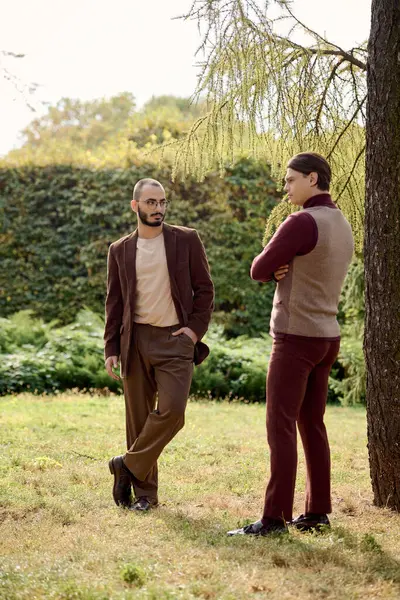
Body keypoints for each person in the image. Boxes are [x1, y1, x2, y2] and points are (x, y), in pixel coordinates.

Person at [228, 152, 354, 536]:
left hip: (295, 337)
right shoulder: (342, 223)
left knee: (280, 424)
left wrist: (276, 269)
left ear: (312, 179)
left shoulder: (300, 222)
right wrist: (284, 266)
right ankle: (317, 513)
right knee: (312, 424)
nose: (285, 187)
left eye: (290, 180)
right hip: (327, 336)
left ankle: (274, 518)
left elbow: (258, 269)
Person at [104, 178, 214, 511]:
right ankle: (146, 497)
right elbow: (115, 301)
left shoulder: (187, 240)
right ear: (135, 206)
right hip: (134, 341)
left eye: (163, 202)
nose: (159, 209)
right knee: (137, 420)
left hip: (175, 340)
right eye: (151, 203)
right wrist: (111, 347)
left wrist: (194, 332)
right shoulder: (120, 249)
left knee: (173, 412)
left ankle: (126, 465)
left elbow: (205, 290)